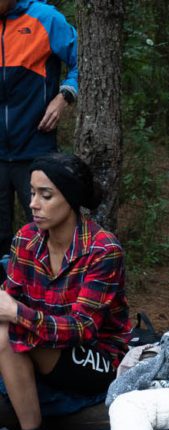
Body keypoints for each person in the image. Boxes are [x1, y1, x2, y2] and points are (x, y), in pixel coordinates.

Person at [0, 152, 130, 430]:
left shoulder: (103, 250)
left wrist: (17, 313)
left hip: (95, 356)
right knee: (3, 331)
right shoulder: (26, 238)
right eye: (32, 193)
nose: (33, 204)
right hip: (39, 341)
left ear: (70, 198)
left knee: (7, 334)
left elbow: (82, 328)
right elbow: (9, 297)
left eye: (46, 195)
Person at [0, 0, 78, 257]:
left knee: (44, 231)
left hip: (35, 147)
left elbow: (83, 61)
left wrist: (64, 95)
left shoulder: (46, 18)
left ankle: (48, 291)